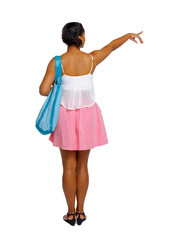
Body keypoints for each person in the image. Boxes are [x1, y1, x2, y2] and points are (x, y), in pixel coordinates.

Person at [39, 22, 144, 226]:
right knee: (83, 165)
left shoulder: (57, 62)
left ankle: (70, 214)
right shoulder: (91, 59)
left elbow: (43, 90)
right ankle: (81, 212)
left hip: (65, 116)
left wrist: (58, 83)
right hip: (88, 116)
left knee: (68, 167)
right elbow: (112, 46)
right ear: (80, 37)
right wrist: (128, 35)